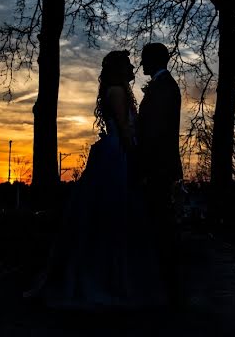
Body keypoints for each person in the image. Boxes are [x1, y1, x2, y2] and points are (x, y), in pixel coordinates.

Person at [33, 50, 166, 310]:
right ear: (119, 68)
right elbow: (125, 129)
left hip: (116, 152)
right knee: (111, 214)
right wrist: (136, 156)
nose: (132, 67)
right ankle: (107, 279)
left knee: (115, 216)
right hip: (116, 155)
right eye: (128, 64)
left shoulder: (120, 90)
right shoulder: (116, 91)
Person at [135, 42, 184, 305]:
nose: (141, 64)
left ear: (154, 60)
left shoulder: (164, 88)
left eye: (144, 59)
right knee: (159, 226)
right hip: (160, 167)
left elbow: (156, 134)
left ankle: (169, 291)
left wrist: (145, 168)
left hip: (158, 168)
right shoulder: (163, 86)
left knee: (161, 227)